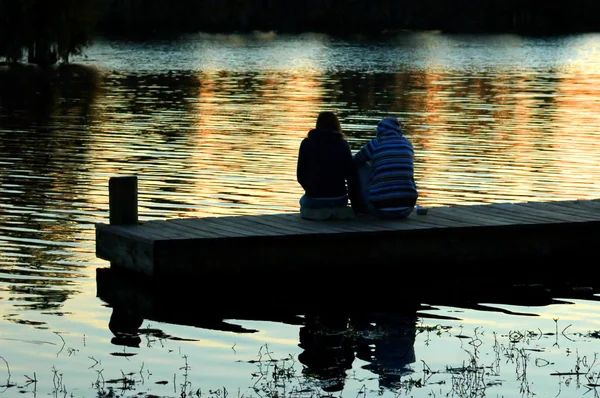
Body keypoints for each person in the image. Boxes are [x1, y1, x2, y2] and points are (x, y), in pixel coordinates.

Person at [297, 111, 359, 220]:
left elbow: (300, 175)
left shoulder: (306, 143)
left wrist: (312, 189)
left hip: (314, 199)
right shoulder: (343, 145)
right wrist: (356, 204)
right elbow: (351, 177)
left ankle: (316, 212)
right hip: (338, 199)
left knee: (303, 201)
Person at [353, 116, 418, 219]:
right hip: (407, 209)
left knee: (359, 165)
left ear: (379, 131)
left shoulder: (375, 143)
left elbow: (356, 159)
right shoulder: (408, 145)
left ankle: (357, 208)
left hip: (379, 209)